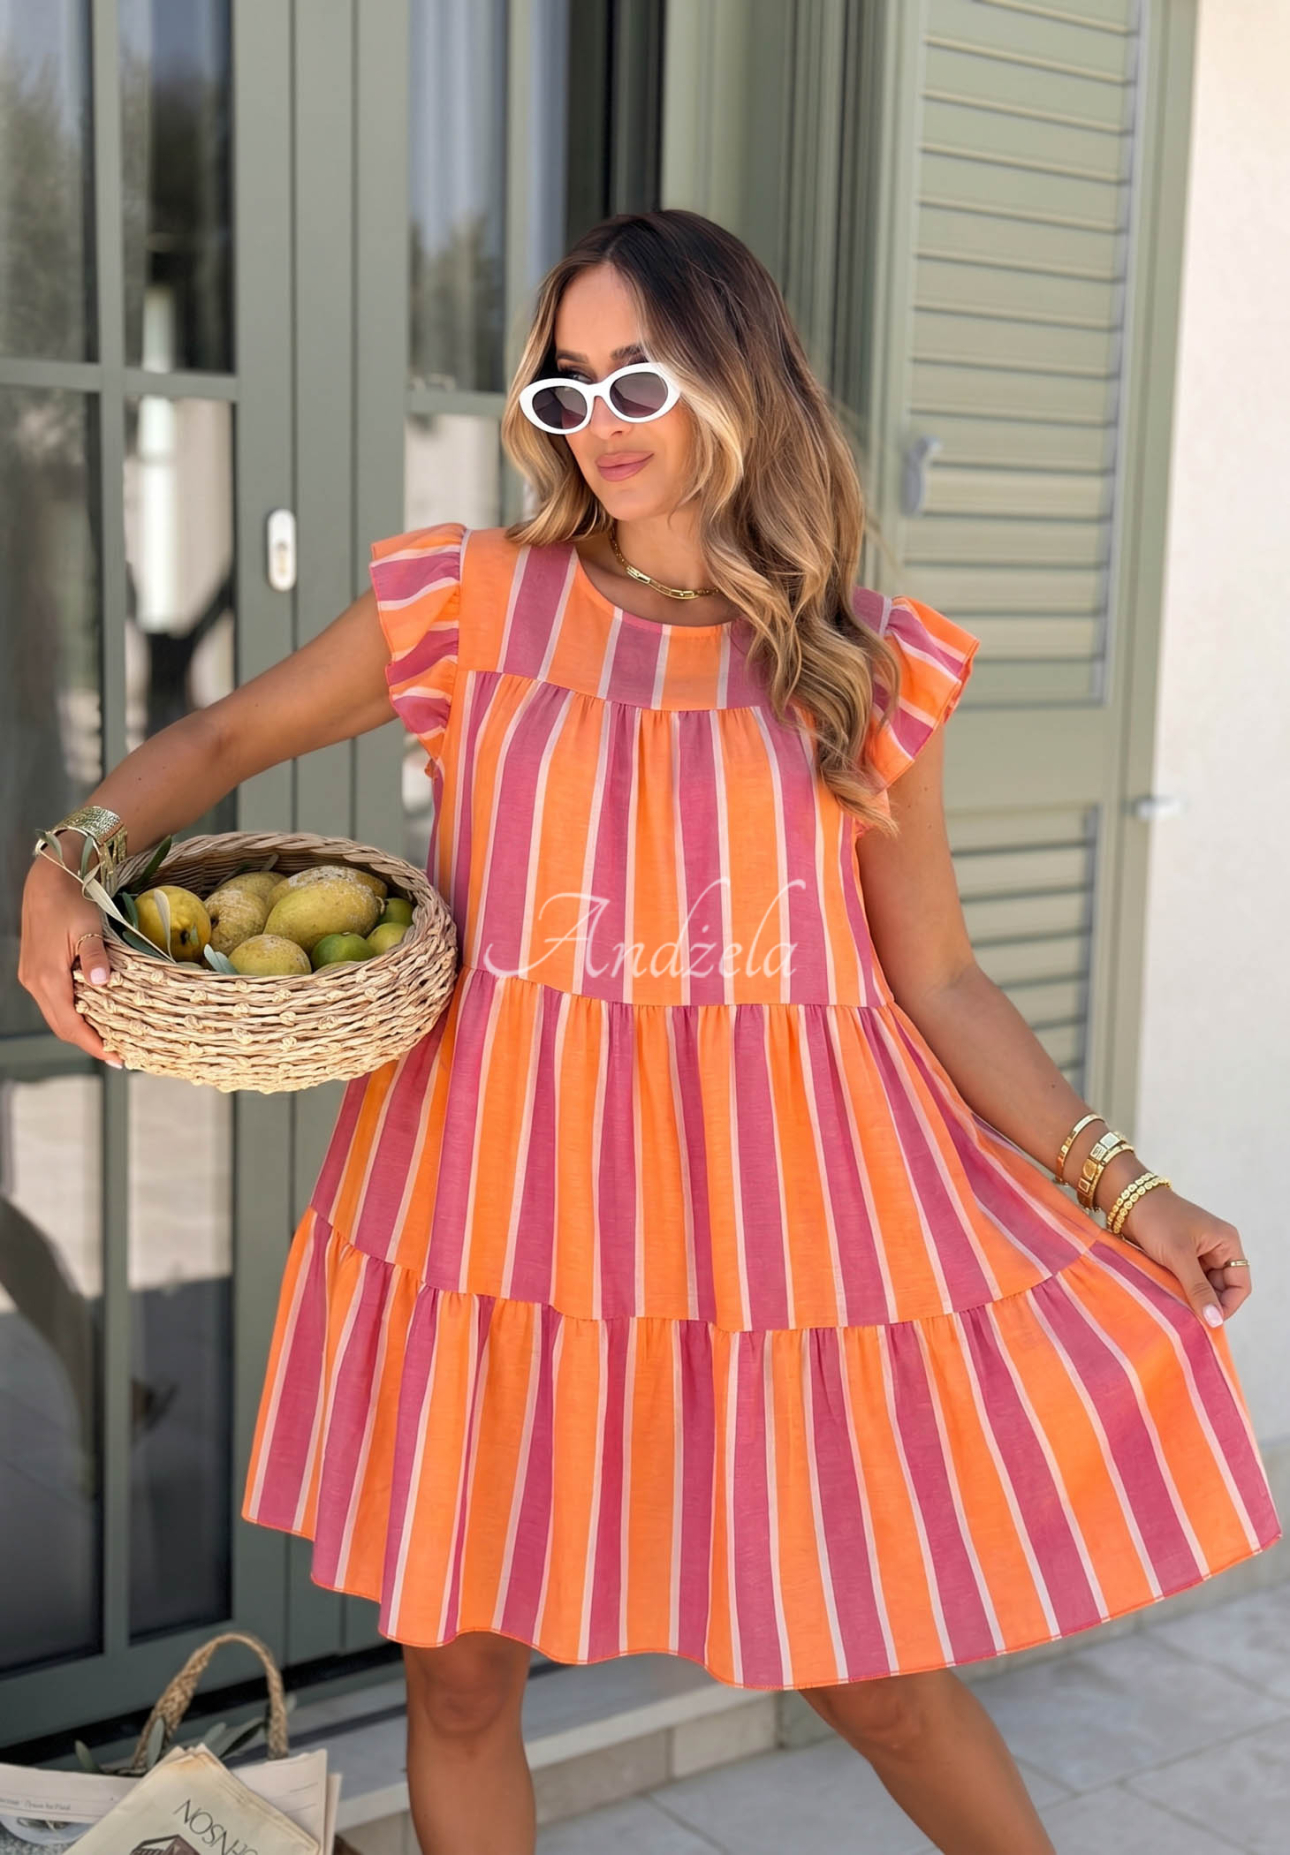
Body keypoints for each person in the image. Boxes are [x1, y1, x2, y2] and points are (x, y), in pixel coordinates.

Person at [21, 209, 1278, 1855]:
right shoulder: (472, 606)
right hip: (486, 1220)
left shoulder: (857, 670)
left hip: (783, 1241)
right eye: (563, 390)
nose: (597, 424)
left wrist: (1126, 1187)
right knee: (459, 1688)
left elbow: (943, 981)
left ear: (733, 378)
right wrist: (69, 862)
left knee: (870, 1678)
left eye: (635, 379)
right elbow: (227, 734)